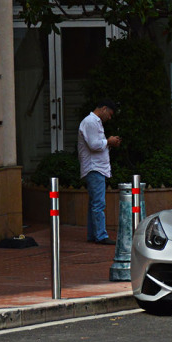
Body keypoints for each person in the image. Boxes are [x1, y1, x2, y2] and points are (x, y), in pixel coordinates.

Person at [78, 99, 120, 245]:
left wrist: (109, 143)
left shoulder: (94, 122)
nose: (109, 117)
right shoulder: (90, 122)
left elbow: (96, 145)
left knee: (94, 203)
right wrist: (109, 141)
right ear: (103, 109)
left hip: (96, 167)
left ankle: (93, 234)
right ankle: (101, 235)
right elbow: (94, 145)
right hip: (94, 167)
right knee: (98, 204)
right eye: (109, 114)